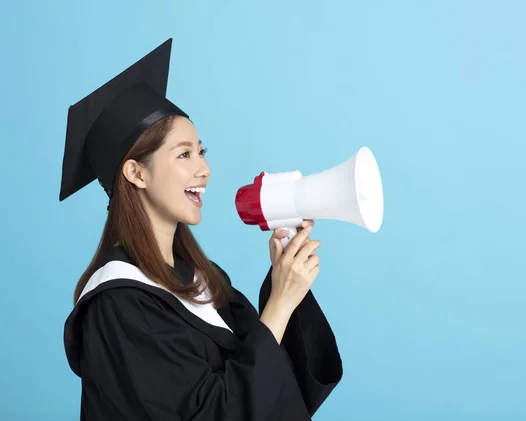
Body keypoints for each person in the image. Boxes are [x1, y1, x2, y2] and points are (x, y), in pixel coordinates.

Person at [61, 39, 343, 421]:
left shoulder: (201, 277)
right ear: (136, 172)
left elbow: (280, 384)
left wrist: (284, 281)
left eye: (201, 151)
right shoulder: (116, 306)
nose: (204, 170)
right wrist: (279, 304)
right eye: (184, 154)